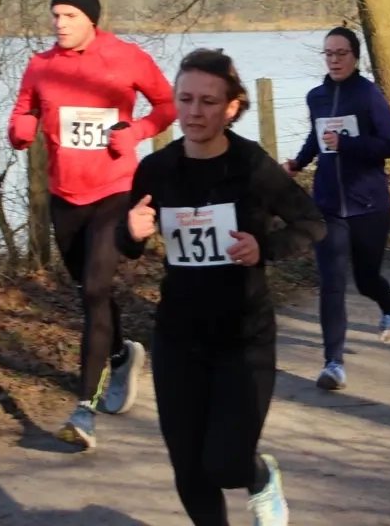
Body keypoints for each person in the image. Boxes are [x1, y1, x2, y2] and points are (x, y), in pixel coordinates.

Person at [115, 48, 325, 526]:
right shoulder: (157, 171)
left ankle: (259, 477)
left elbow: (312, 224)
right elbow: (126, 245)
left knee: (226, 463)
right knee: (190, 471)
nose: (194, 112)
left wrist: (263, 247)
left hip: (244, 337)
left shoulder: (251, 166)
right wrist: (131, 231)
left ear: (232, 107)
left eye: (208, 101)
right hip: (178, 338)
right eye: (185, 99)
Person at [8, 0, 176, 450]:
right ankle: (122, 353)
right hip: (65, 196)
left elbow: (166, 105)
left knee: (97, 289)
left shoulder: (127, 58)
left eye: (70, 16)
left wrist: (139, 130)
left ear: (91, 19)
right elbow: (25, 110)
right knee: (89, 291)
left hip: (116, 190)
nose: (59, 23)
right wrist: (21, 128)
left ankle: (84, 409)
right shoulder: (40, 66)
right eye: (55, 15)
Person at [284, 27, 390, 392]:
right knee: (332, 284)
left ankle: (388, 303)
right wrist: (299, 162)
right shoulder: (316, 97)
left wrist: (349, 144)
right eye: (329, 54)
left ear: (355, 56)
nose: (334, 60)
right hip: (329, 206)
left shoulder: (368, 95)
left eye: (341, 53)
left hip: (368, 204)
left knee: (366, 278)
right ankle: (333, 363)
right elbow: (317, 136)